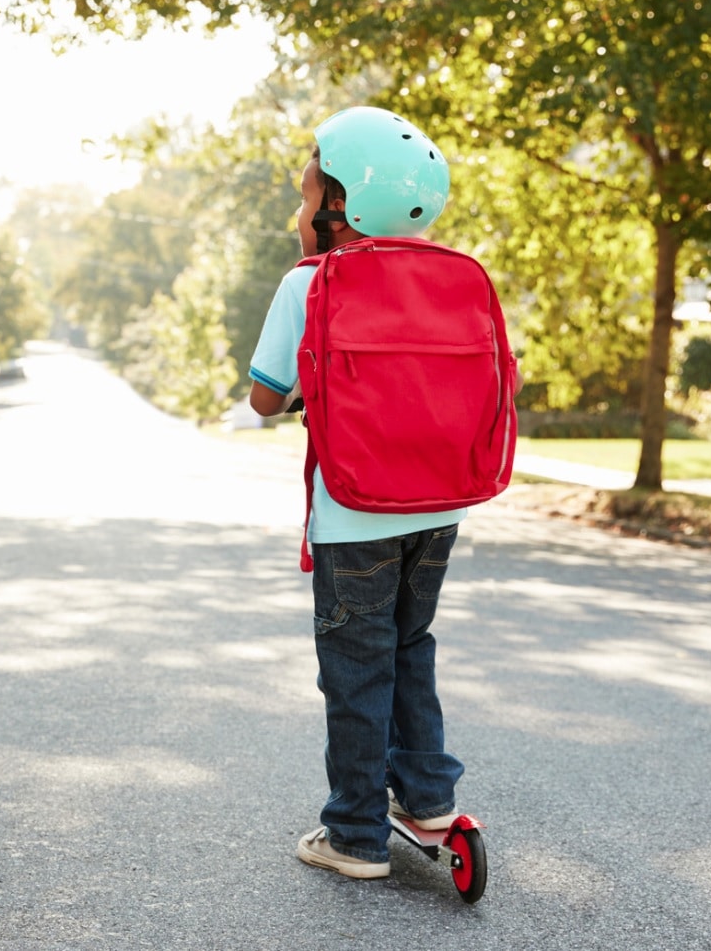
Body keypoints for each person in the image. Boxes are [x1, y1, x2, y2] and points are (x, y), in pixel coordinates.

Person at [247, 107, 515, 879]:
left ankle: (356, 834)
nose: (300, 214)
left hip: (354, 514)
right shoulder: (451, 280)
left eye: (307, 199)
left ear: (342, 208)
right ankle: (429, 796)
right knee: (409, 645)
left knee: (357, 665)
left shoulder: (309, 283)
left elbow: (267, 397)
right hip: (441, 507)